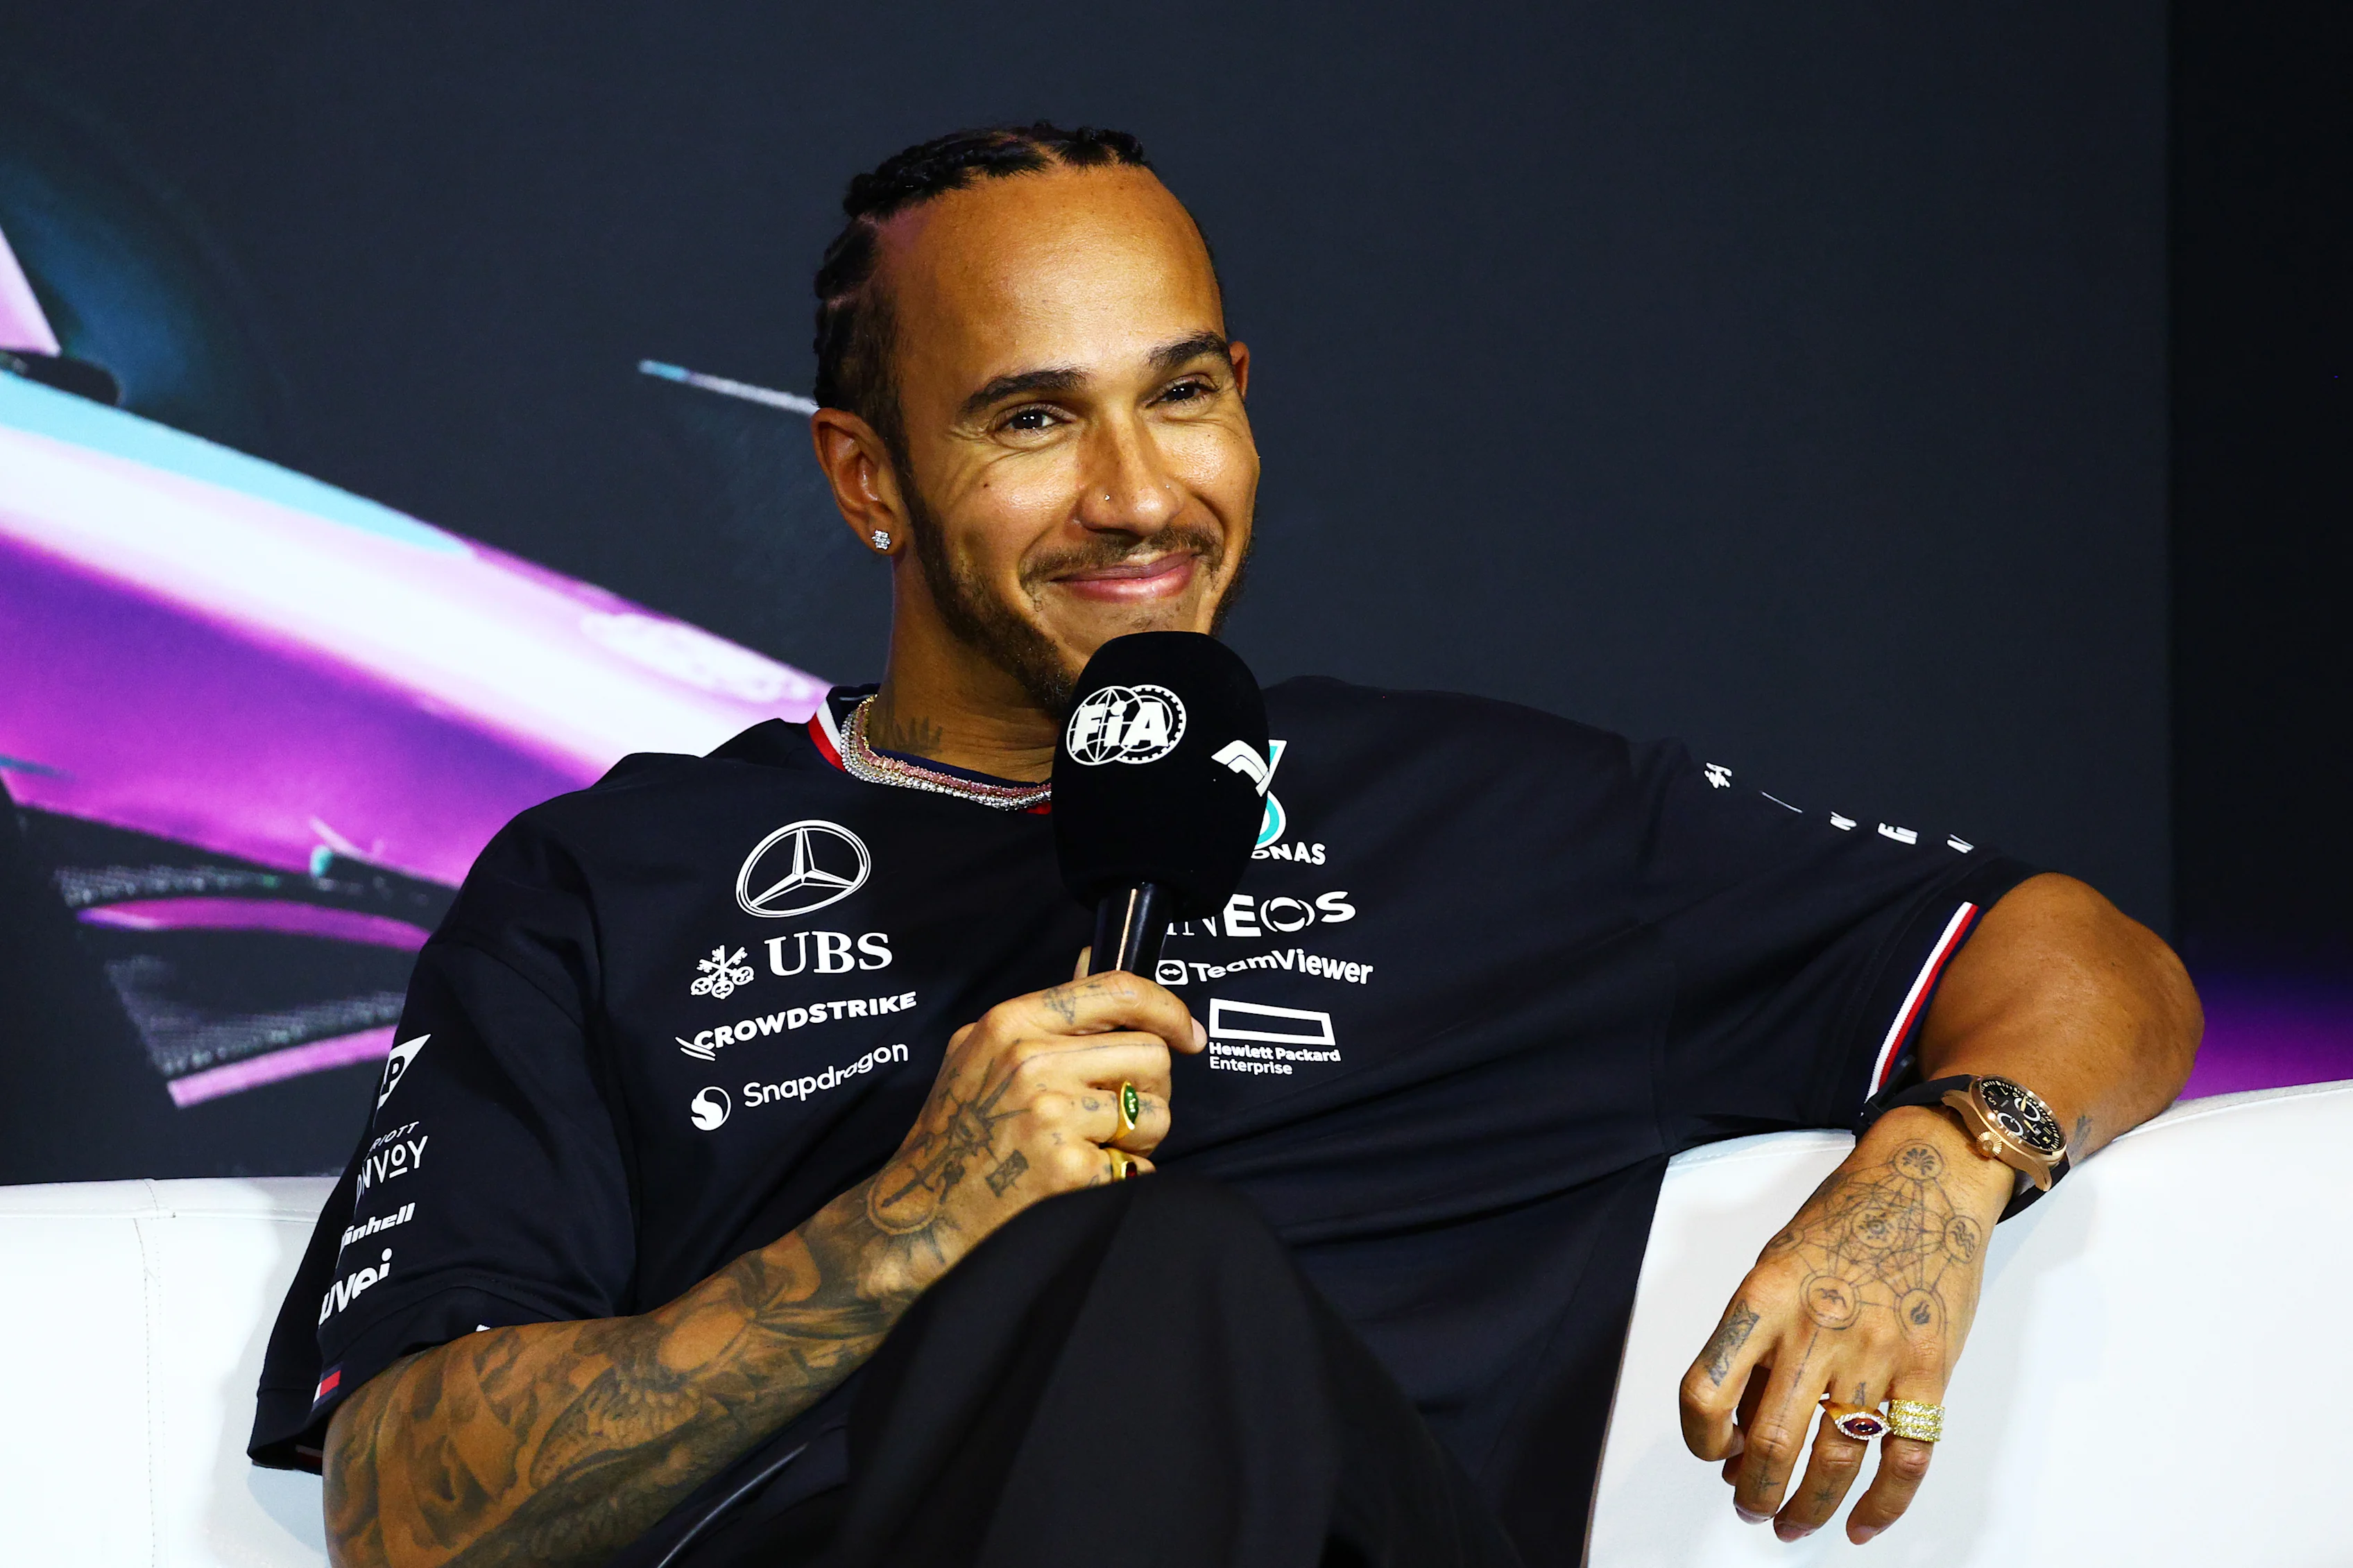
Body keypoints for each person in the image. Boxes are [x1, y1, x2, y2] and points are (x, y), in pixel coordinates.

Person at [250, 123, 2200, 1567]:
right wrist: (906, 1227)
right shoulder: (616, 888)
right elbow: (408, 1510)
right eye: (1030, 420)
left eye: (1181, 393)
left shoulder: (1499, 820)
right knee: (1119, 1264)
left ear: (1243, 404)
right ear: (868, 478)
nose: (1134, 496)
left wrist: (1946, 1167)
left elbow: (2078, 946)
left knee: (1163, 1271)